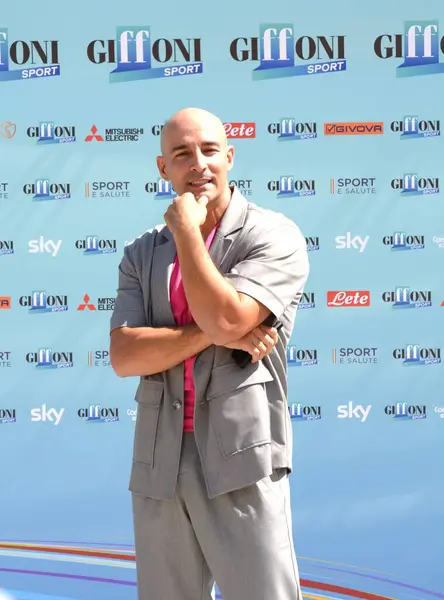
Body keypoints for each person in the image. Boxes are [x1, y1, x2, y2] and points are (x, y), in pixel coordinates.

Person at [109, 107, 309, 600]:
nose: (198, 164)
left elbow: (227, 318)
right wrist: (218, 332)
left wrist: (187, 235)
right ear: (164, 169)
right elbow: (125, 356)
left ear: (230, 157)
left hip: (241, 457)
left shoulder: (273, 234)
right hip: (161, 462)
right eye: (182, 154)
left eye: (210, 151)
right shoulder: (141, 253)